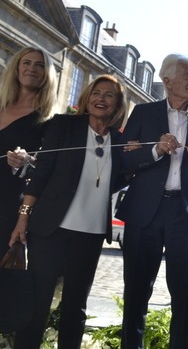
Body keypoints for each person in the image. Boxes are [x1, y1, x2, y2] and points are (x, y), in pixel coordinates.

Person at [9, 75, 128, 348]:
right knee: (38, 304)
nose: (101, 98)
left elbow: (119, 178)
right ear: (87, 98)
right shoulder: (64, 125)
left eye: (109, 95)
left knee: (76, 308)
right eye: (96, 93)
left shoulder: (120, 141)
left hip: (91, 234)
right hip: (51, 230)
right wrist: (23, 216)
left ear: (118, 104)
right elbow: (41, 174)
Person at [117, 53, 188, 349]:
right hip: (144, 213)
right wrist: (155, 150)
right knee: (135, 293)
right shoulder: (143, 113)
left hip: (186, 216)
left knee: (183, 297)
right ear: (167, 80)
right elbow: (124, 160)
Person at [1, 46, 55, 258]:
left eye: (39, 65)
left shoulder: (48, 120)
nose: (32, 68)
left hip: (6, 203)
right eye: (27, 63)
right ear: (16, 68)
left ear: (46, 75)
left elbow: (47, 168)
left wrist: (27, 160)